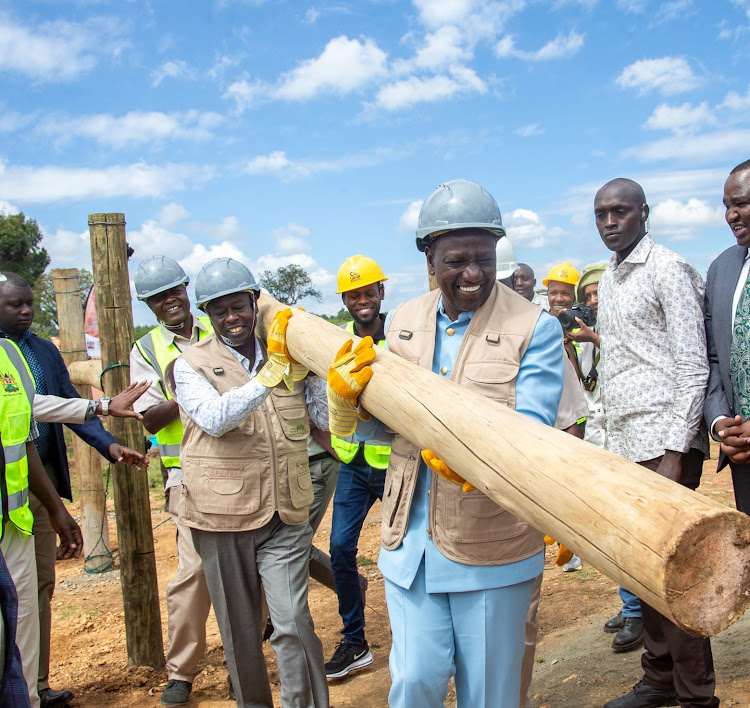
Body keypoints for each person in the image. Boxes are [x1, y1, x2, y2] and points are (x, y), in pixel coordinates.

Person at [327, 179, 564, 707]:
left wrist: (476, 459)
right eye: (457, 261)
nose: (474, 273)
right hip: (410, 542)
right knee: (413, 684)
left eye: (485, 258)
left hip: (491, 545)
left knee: (490, 694)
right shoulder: (405, 322)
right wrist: (349, 405)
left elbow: (534, 436)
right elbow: (383, 424)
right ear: (428, 256)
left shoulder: (534, 328)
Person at [165, 257, 329, 708]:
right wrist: (268, 376)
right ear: (208, 315)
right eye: (220, 312)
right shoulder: (190, 365)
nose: (232, 318)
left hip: (284, 512)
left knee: (293, 620)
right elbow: (215, 420)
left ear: (255, 302)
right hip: (221, 519)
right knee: (240, 633)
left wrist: (318, 374)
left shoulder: (285, 350)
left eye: (239, 306)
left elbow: (321, 421)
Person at [594, 178, 715, 708]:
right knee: (642, 574)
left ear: (645, 212)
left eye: (619, 211)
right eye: (600, 214)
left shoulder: (669, 268)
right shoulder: (613, 277)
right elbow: (618, 366)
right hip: (623, 447)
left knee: (678, 577)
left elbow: (692, 364)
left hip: (662, 447)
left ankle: (695, 695)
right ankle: (658, 678)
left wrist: (674, 453)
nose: (609, 222)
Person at [0, 271, 146, 708]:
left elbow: (57, 409)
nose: (26, 311)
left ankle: (34, 685)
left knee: (34, 588)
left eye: (29, 303)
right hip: (18, 482)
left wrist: (109, 441)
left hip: (31, 488)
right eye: (16, 305)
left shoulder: (40, 351)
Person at [129, 256, 217, 707]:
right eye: (157, 298)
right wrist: (188, 384)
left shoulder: (221, 323)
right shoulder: (146, 351)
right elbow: (149, 420)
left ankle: (250, 658)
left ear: (187, 289)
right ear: (149, 305)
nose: (169, 301)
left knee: (253, 565)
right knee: (194, 572)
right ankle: (182, 672)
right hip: (186, 474)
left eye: (174, 291)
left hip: (241, 467)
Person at [0, 330, 83, 708]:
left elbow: (26, 429)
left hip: (14, 519)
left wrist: (55, 508)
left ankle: (31, 693)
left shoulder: (12, 355)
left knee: (26, 609)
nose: (24, 311)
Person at [566, 260, 644, 653]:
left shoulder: (618, 331)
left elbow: (635, 356)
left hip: (633, 440)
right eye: (588, 297)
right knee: (615, 529)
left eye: (598, 296)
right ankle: (631, 605)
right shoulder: (580, 344)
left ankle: (639, 612)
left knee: (633, 527)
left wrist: (595, 337)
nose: (592, 303)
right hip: (600, 443)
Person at [325, 255, 391, 679]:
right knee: (339, 550)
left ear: (381, 293)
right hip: (352, 463)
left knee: (413, 548)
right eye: (353, 295)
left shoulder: (401, 339)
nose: (361, 300)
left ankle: (426, 634)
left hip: (395, 463)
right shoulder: (335, 340)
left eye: (368, 292)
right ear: (345, 300)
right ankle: (355, 642)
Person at [705, 159, 750, 516]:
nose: (732, 215)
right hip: (742, 456)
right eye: (727, 206)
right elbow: (716, 358)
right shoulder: (722, 270)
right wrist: (722, 423)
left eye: (742, 204)